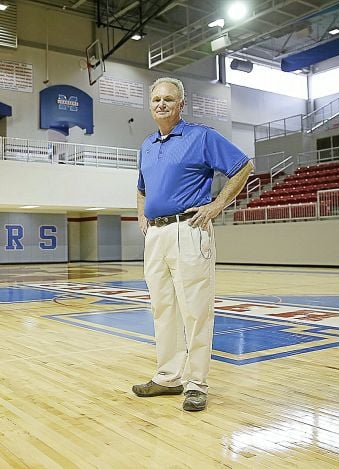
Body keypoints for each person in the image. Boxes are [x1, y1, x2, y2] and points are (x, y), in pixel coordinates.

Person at [133, 77, 254, 412]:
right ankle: (168, 377)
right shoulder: (146, 146)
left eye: (168, 99)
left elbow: (243, 166)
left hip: (189, 229)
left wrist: (217, 205)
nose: (161, 104)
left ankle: (196, 383)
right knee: (163, 309)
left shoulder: (201, 136)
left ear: (181, 104)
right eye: (156, 99)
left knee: (196, 311)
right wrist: (141, 216)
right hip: (155, 235)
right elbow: (141, 188)